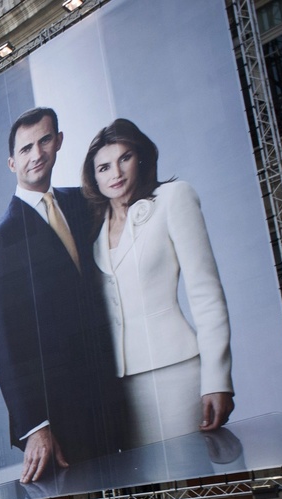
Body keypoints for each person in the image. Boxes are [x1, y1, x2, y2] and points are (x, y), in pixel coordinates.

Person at [0, 106, 119, 484]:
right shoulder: (0, 240)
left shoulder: (85, 204)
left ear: (58, 143)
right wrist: (34, 425)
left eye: (44, 141)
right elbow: (3, 343)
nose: (36, 154)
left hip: (113, 392)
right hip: (59, 415)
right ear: (12, 162)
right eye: (25, 149)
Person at [83, 118, 233, 447]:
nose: (116, 173)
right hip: (117, 384)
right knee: (145, 492)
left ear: (142, 158)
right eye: (104, 167)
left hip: (175, 370)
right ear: (93, 177)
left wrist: (217, 379)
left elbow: (206, 293)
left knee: (187, 479)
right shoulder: (92, 227)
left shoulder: (173, 198)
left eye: (125, 158)